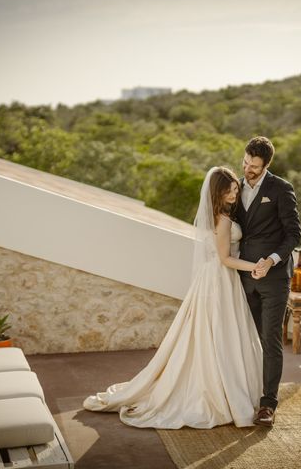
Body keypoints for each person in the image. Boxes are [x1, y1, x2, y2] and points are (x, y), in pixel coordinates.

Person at [83, 167, 264, 429]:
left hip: (213, 279)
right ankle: (222, 391)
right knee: (220, 333)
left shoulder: (216, 216)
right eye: (231, 189)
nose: (235, 192)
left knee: (212, 333)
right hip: (221, 278)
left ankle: (222, 386)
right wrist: (255, 266)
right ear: (219, 191)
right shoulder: (223, 221)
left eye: (236, 188)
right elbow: (225, 259)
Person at [236, 136, 301, 427]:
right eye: (246, 163)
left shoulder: (281, 189)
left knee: (270, 339)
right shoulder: (235, 187)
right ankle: (243, 392)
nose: (248, 169)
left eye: (254, 166)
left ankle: (268, 404)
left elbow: (294, 235)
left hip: (274, 279)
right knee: (244, 337)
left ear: (267, 165)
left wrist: (272, 260)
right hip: (242, 278)